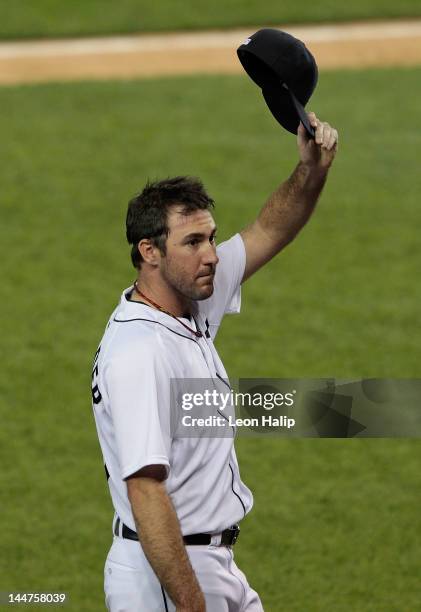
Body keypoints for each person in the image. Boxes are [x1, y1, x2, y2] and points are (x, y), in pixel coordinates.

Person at [91, 112, 338, 612]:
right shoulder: (140, 353)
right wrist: (189, 603)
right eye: (193, 242)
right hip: (167, 574)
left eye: (210, 237)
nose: (212, 255)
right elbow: (145, 488)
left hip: (212, 563)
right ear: (149, 252)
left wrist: (311, 170)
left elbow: (270, 228)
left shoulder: (189, 300)